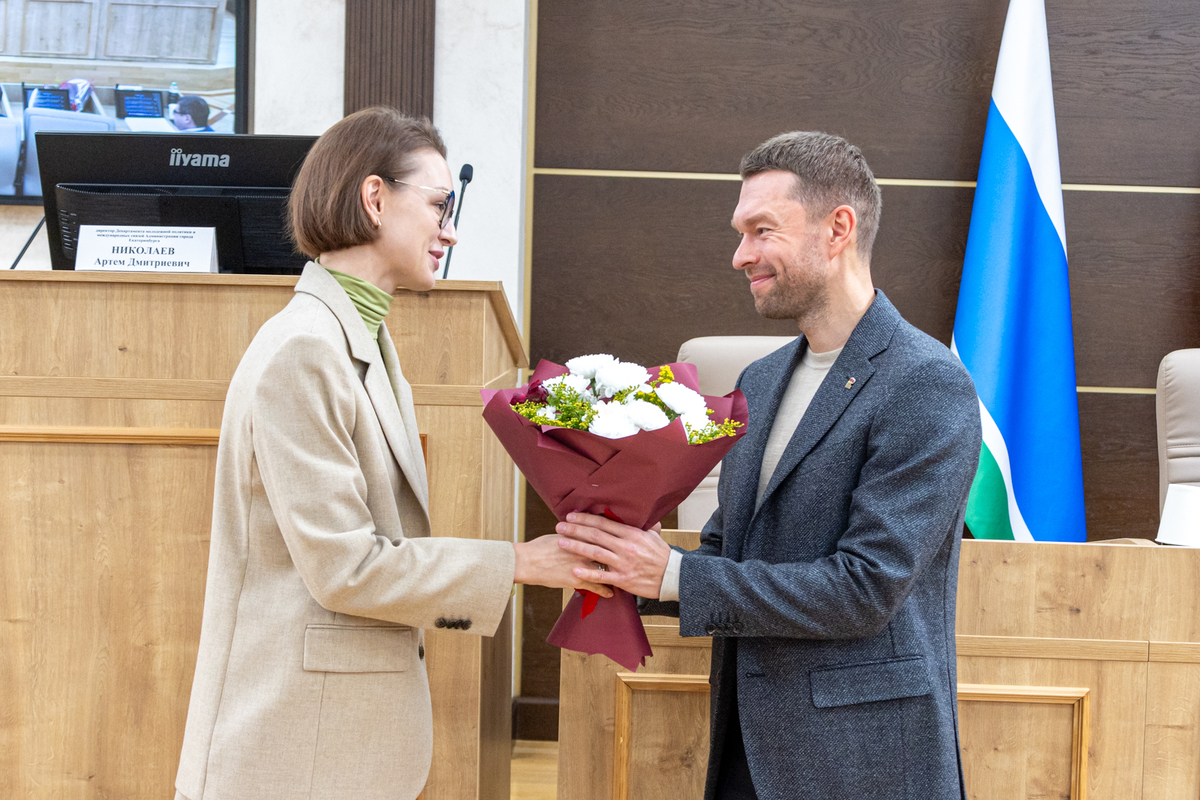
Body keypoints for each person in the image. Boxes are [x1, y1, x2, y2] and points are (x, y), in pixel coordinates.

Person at [173, 107, 609, 800]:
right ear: (375, 199)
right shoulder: (305, 351)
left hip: (335, 742)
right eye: (439, 205)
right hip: (295, 746)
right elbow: (345, 568)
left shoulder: (363, 340)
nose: (451, 230)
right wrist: (522, 562)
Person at [557, 131, 982, 800]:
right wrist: (615, 559)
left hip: (863, 763)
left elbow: (865, 589)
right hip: (746, 749)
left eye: (761, 231)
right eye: (739, 233)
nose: (739, 256)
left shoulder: (927, 384)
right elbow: (732, 548)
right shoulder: (759, 380)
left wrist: (670, 577)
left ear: (837, 228)